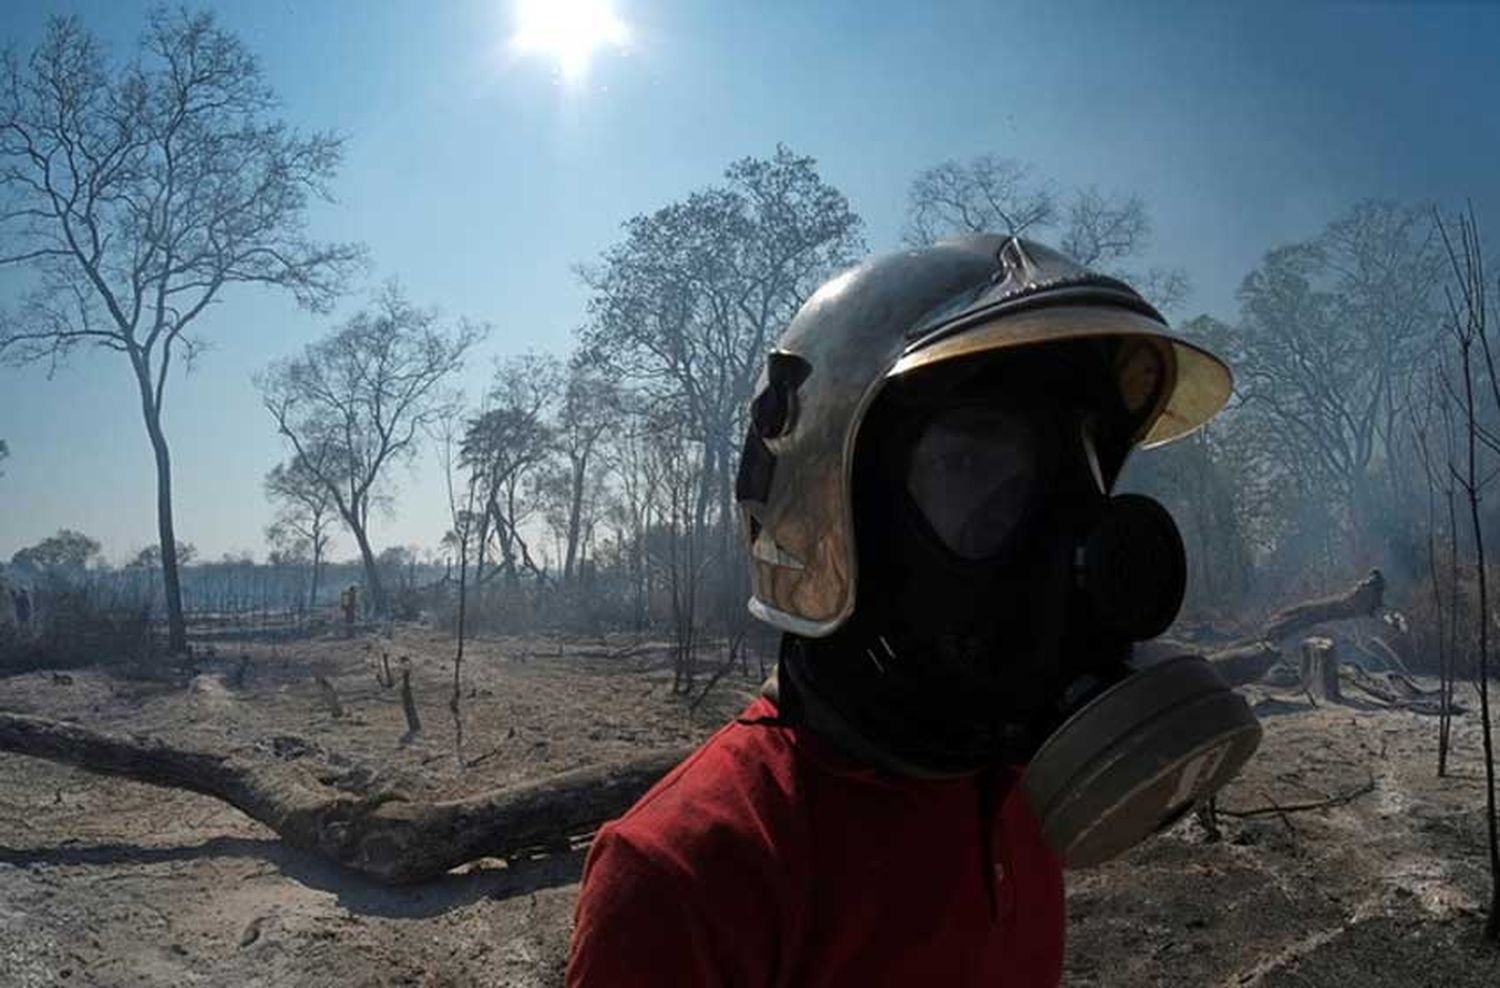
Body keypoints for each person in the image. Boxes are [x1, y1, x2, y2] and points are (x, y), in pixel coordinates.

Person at [567, 236, 1261, 987]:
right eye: (972, 463)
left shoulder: (1013, 787)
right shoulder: (685, 878)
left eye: (1085, 461)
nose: (1071, 529)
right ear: (834, 512)